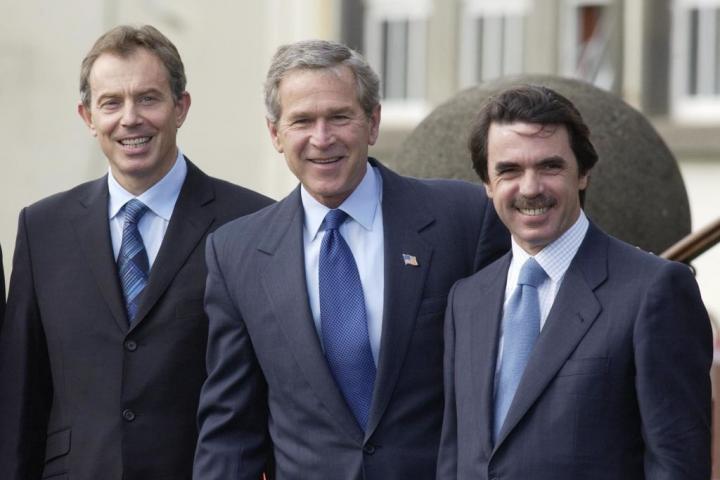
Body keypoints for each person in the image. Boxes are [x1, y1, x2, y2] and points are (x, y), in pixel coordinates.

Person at [193, 39, 509, 479]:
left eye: (339, 117)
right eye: (302, 120)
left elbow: (506, 380)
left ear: (372, 122)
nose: (322, 139)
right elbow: (231, 429)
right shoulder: (236, 252)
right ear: (275, 134)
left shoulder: (464, 218)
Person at [0, 25, 272, 480]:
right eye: (111, 103)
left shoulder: (250, 222)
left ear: (180, 107)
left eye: (148, 98)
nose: (130, 118)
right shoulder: (42, 227)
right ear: (88, 116)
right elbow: (21, 393)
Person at [436, 85, 712, 479]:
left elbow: (678, 465)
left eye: (550, 167)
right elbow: (455, 457)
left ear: (583, 173)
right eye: (509, 170)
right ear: (487, 184)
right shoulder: (466, 301)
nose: (530, 188)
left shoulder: (654, 291)